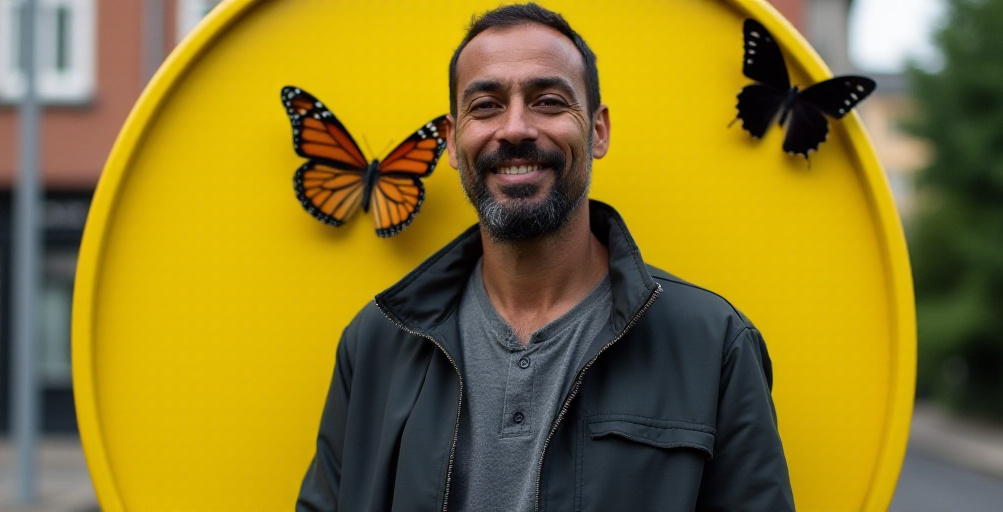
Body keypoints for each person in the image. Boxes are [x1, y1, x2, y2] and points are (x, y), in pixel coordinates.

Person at [297, 4, 795, 511]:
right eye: (486, 105)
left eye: (549, 101)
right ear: (451, 141)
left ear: (597, 131)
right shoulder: (375, 343)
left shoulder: (714, 345)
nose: (514, 128)